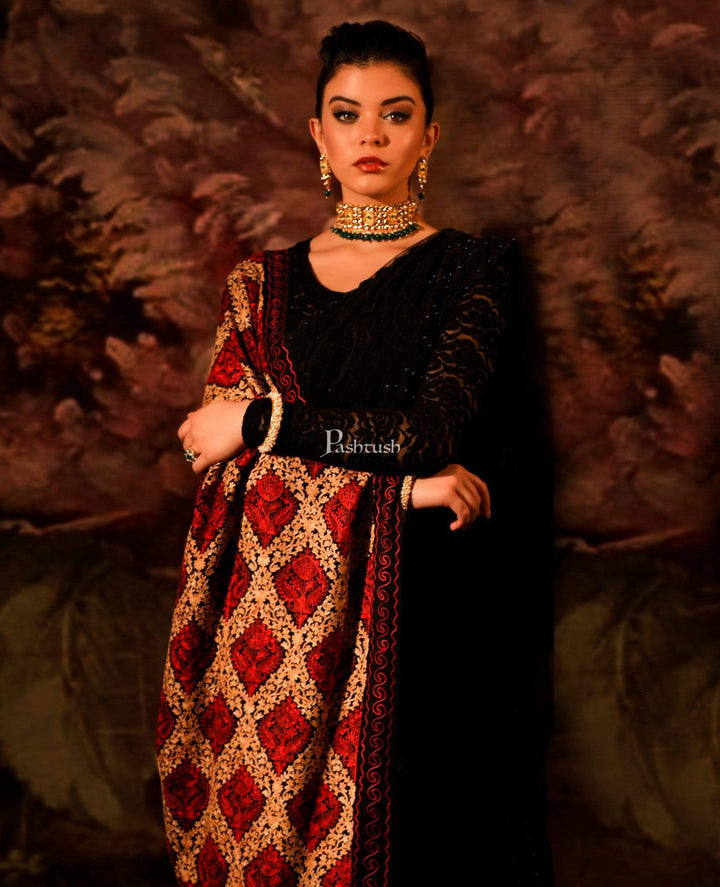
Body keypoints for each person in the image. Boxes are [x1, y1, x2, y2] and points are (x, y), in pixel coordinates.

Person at [156, 19, 554, 887]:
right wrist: (398, 493)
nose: (370, 134)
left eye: (395, 114)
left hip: (427, 625)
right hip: (272, 642)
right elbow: (219, 475)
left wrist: (259, 423)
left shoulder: (472, 271)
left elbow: (424, 435)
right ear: (318, 133)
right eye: (347, 114)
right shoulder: (259, 287)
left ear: (429, 136)